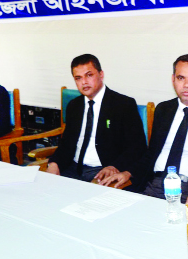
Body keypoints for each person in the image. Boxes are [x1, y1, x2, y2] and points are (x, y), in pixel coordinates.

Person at [100, 54, 188, 203]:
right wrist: (128, 172)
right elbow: (151, 154)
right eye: (181, 78)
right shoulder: (164, 110)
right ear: (173, 79)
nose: (187, 85)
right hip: (153, 184)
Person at [47, 54, 147, 183]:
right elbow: (66, 144)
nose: (84, 82)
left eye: (89, 75)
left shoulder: (123, 104)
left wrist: (115, 166)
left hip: (102, 171)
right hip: (72, 168)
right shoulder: (74, 105)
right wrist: (54, 163)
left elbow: (137, 147)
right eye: (78, 78)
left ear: (101, 74)